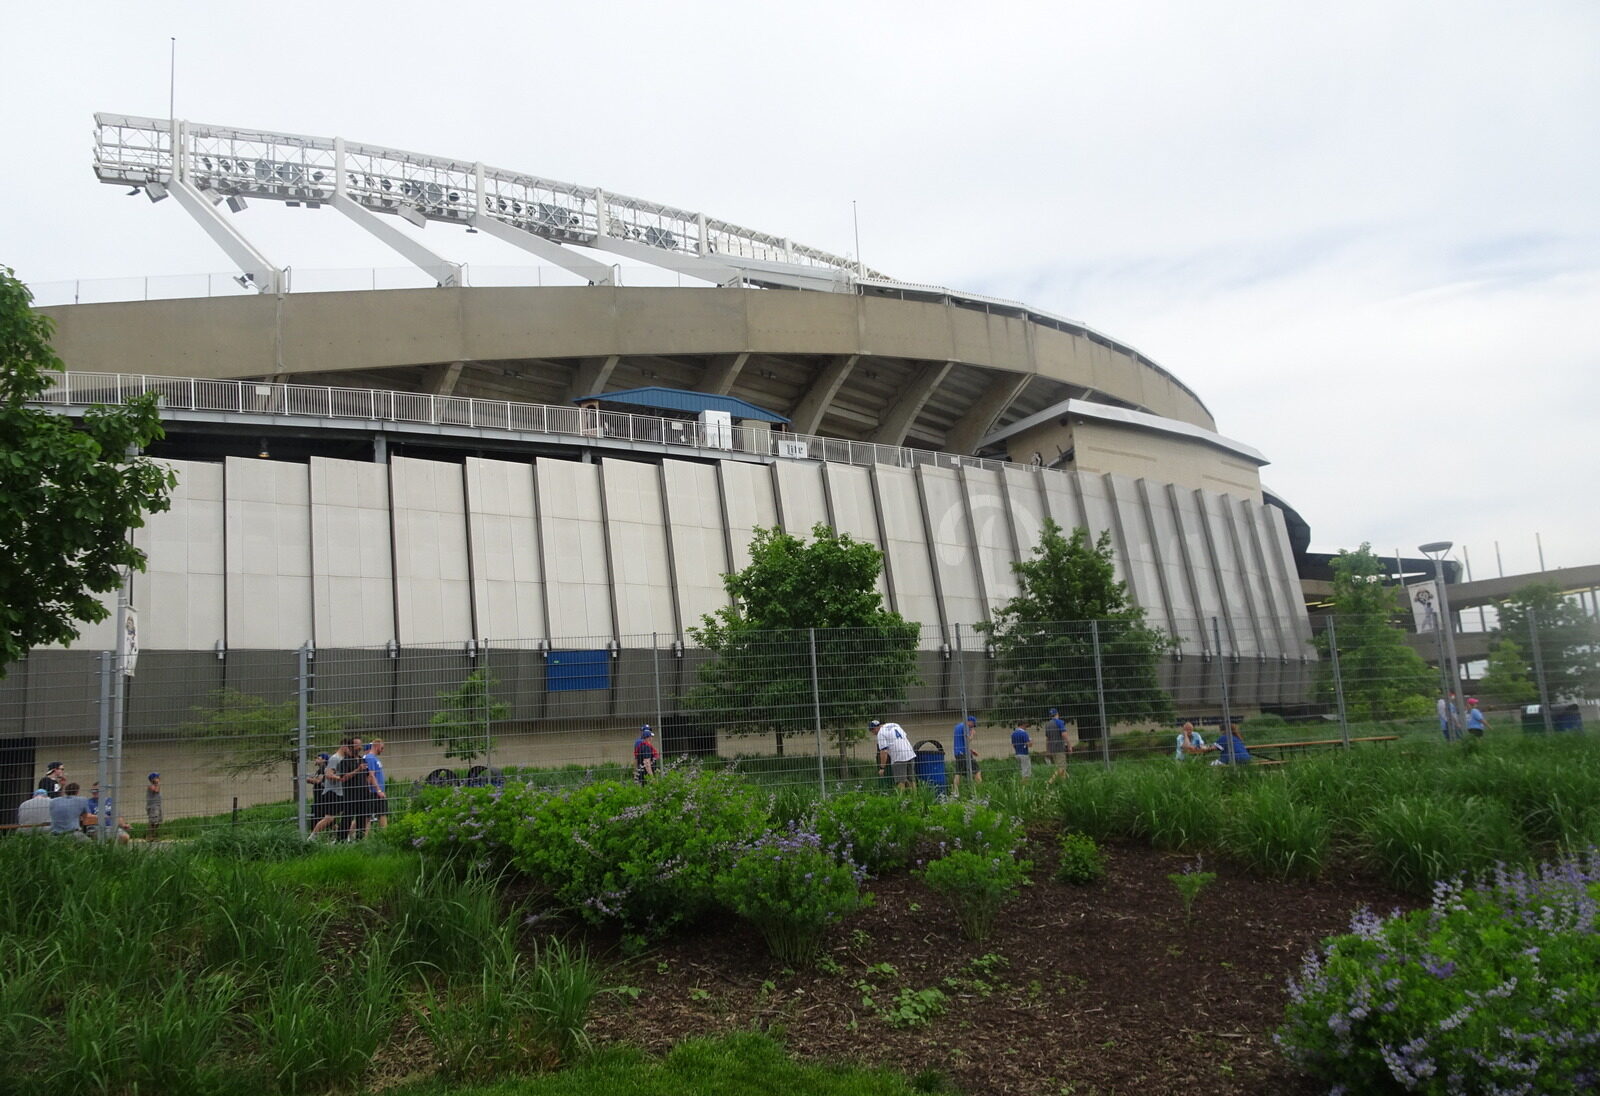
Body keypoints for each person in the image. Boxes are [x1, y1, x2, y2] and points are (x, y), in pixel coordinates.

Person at [872, 718, 916, 789]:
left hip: (899, 756)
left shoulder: (880, 733)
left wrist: (882, 768)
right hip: (910, 752)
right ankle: (915, 798)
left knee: (900, 781)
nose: (873, 733)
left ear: (875, 728)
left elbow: (884, 752)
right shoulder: (895, 724)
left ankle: (900, 798)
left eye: (872, 731)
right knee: (911, 778)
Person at [361, 740, 389, 834]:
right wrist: (378, 790)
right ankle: (364, 838)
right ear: (376, 746)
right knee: (368, 816)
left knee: (382, 813)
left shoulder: (375, 758)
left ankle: (385, 835)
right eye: (382, 748)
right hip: (373, 792)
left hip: (377, 791)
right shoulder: (370, 758)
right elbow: (371, 775)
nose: (382, 750)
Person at [951, 715, 982, 791]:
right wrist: (972, 734)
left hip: (958, 753)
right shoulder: (966, 727)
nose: (973, 727)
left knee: (958, 773)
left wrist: (970, 750)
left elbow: (961, 742)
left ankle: (955, 792)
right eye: (973, 725)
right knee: (977, 770)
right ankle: (979, 790)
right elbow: (967, 740)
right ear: (970, 722)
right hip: (964, 754)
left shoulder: (957, 726)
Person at [1043, 708, 1071, 781]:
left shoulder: (1047, 724)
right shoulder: (1060, 722)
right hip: (1059, 748)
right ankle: (1049, 782)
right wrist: (1069, 745)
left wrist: (1048, 750)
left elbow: (1047, 739)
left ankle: (1064, 783)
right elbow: (1064, 734)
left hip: (1052, 749)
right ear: (1057, 714)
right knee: (1061, 768)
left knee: (1060, 768)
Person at [145, 773, 163, 840]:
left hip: (158, 805)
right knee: (152, 821)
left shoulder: (157, 785)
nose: (159, 778)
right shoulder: (151, 786)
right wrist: (157, 783)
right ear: (152, 779)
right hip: (152, 806)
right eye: (157, 777)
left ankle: (153, 835)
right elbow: (156, 790)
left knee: (158, 821)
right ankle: (149, 836)